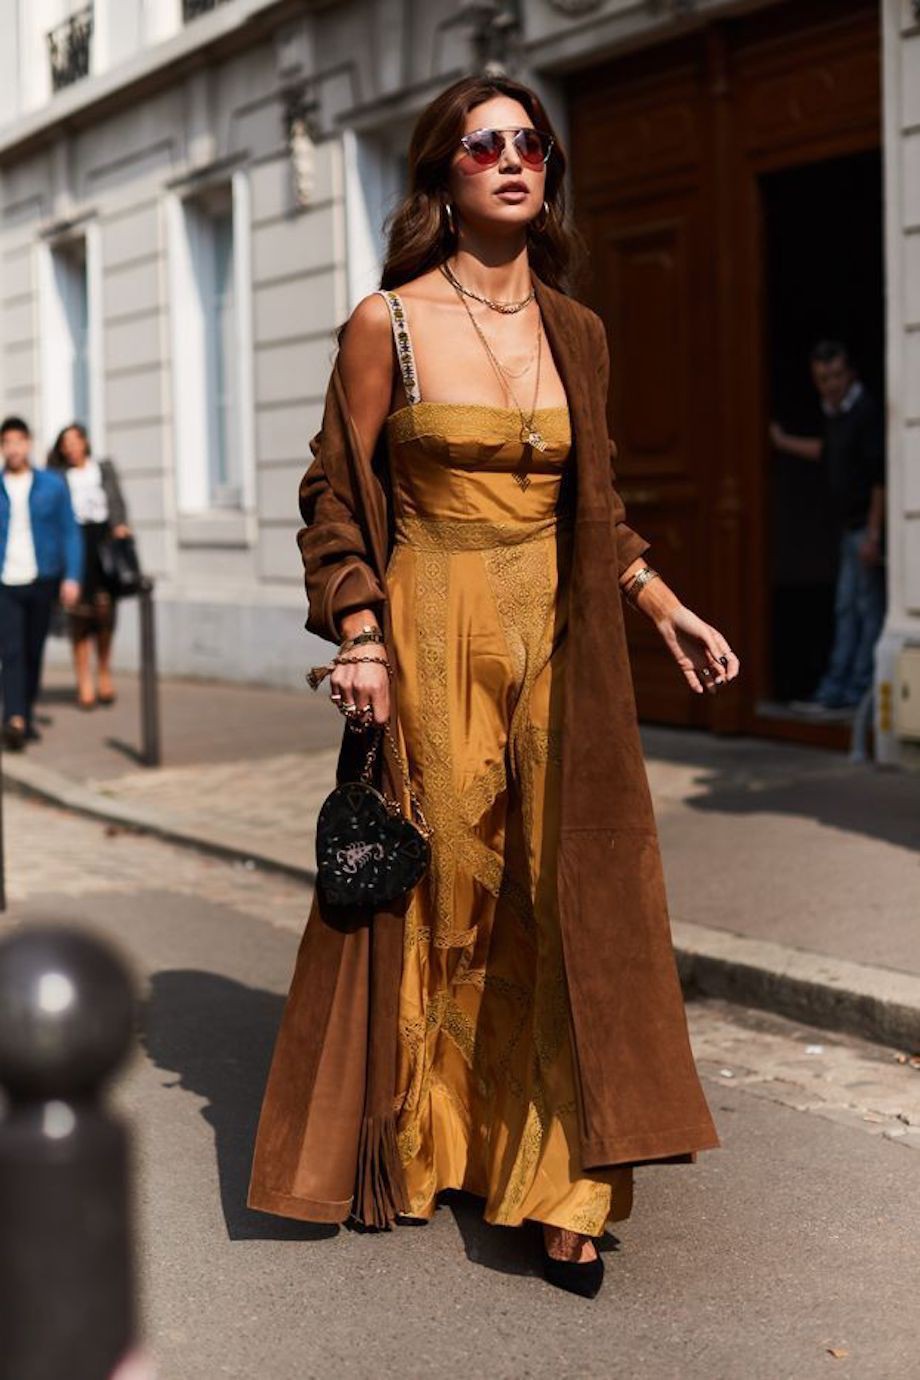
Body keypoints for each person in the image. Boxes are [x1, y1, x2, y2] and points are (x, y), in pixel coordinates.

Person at [247, 75, 739, 1299]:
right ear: (443, 176)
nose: (513, 160)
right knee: (451, 892)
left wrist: (664, 607)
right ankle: (436, 1141)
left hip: (559, 640)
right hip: (431, 624)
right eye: (484, 145)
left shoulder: (579, 331)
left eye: (530, 143)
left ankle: (560, 1183)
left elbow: (598, 511)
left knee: (559, 893)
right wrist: (358, 634)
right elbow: (332, 494)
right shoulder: (388, 322)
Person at [771, 341, 886, 712]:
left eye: (836, 375)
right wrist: (783, 442)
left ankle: (852, 692)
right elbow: (828, 451)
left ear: (850, 373)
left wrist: (873, 534)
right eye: (823, 378)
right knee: (848, 608)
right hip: (849, 529)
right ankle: (839, 691)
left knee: (862, 609)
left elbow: (880, 478)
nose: (831, 384)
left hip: (863, 530)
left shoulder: (865, 412)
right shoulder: (836, 413)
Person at [0, 415, 82, 750]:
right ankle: (14, 717)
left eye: (19, 441)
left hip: (41, 577)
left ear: (29, 443)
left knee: (34, 651)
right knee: (12, 651)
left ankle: (26, 712)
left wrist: (73, 576)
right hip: (5, 580)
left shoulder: (52, 485)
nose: (14, 448)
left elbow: (70, 531)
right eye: (7, 442)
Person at [46, 424, 132, 710]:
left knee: (105, 614)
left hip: (103, 543)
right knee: (79, 617)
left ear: (85, 442)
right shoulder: (58, 477)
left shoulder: (102, 469)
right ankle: (84, 678)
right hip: (74, 544)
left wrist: (120, 528)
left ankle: (104, 670)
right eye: (65, 443)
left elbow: (117, 503)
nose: (71, 447)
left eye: (75, 440)